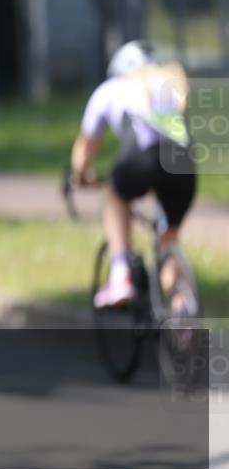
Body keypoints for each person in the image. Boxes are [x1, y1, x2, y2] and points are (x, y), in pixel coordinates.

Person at [70, 39, 196, 311]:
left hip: (143, 157)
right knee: (169, 239)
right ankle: (183, 310)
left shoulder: (109, 89)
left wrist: (80, 176)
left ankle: (120, 275)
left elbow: (86, 148)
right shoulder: (167, 81)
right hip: (185, 164)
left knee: (116, 194)